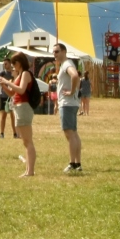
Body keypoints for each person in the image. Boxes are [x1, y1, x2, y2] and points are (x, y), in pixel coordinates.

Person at [0, 52, 37, 177]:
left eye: (14, 63)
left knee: (28, 141)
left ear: (19, 63)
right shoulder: (19, 75)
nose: (12, 66)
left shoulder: (25, 73)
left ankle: (30, 171)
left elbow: (21, 89)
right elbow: (13, 93)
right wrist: (4, 85)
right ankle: (28, 170)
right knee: (25, 141)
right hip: (18, 107)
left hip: (24, 107)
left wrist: (7, 82)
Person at [53, 44, 82, 174]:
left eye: (57, 51)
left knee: (69, 134)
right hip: (71, 103)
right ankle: (77, 163)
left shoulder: (66, 64)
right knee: (74, 133)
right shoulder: (66, 64)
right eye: (53, 52)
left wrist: (71, 91)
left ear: (64, 51)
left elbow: (75, 76)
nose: (55, 54)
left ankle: (72, 164)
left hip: (67, 103)